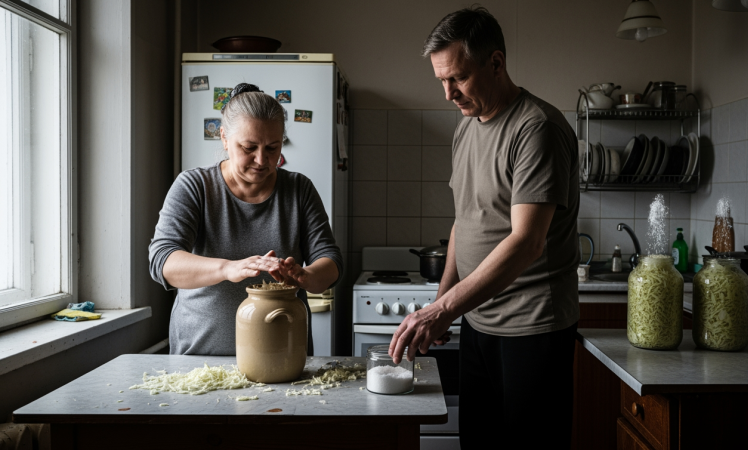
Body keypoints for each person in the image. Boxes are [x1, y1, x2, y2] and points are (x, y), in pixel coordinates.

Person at [388, 7, 580, 449]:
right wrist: (443, 305)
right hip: (479, 322)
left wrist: (441, 311)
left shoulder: (537, 129)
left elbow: (527, 242)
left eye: (457, 78)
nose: (448, 93)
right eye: (441, 80)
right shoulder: (467, 127)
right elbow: (465, 221)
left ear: (496, 63)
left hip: (533, 329)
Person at [149, 83, 342, 356]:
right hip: (199, 360)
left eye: (273, 148)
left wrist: (305, 276)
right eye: (249, 147)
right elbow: (163, 261)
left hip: (284, 357)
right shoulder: (194, 186)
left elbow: (331, 262)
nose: (261, 160)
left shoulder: (299, 189)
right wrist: (229, 269)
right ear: (224, 137)